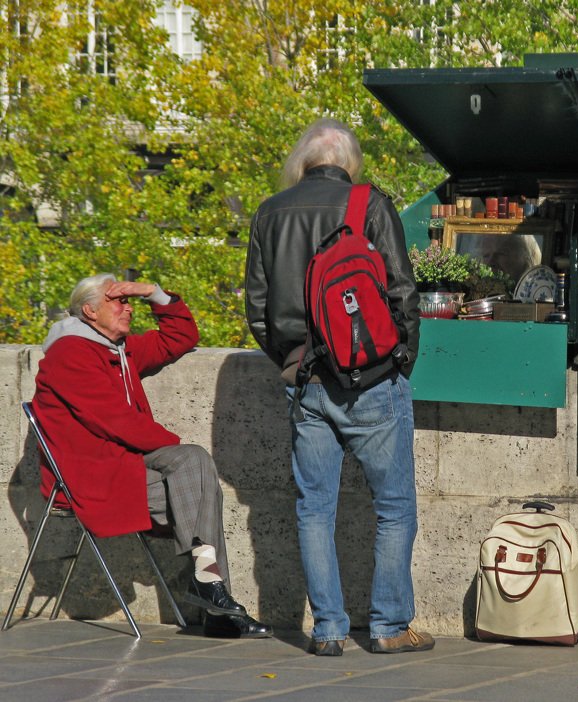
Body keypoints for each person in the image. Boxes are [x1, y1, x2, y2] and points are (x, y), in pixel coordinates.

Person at [244, 118, 431, 656]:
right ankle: (390, 627)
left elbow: (257, 311)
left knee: (313, 508)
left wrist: (294, 360)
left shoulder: (268, 212)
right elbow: (403, 295)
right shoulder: (370, 205)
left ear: (304, 160)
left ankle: (328, 630)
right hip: (371, 378)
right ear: (350, 163)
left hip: (305, 381)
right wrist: (398, 364)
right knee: (394, 507)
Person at [32, 273, 272, 639]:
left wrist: (153, 293)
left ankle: (210, 592)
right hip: (90, 479)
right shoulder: (71, 353)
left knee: (194, 463)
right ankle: (214, 600)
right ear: (89, 311)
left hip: (124, 465)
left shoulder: (118, 348)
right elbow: (116, 421)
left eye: (129, 301)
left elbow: (182, 338)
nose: (128, 307)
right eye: (118, 301)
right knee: (196, 485)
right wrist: (170, 444)